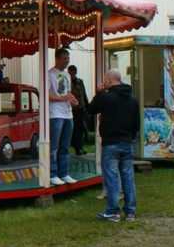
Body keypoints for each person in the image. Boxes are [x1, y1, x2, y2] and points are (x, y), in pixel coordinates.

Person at [88, 69, 140, 222]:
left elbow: (90, 109)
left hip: (111, 143)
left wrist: (98, 93)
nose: (103, 82)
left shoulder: (106, 97)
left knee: (112, 178)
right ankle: (130, 212)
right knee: (128, 177)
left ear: (109, 81)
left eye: (105, 79)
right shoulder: (133, 99)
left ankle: (112, 211)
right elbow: (136, 123)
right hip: (127, 142)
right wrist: (130, 137)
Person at [48, 48, 80, 186]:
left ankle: (64, 173)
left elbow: (68, 92)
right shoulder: (50, 74)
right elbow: (46, 94)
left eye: (68, 58)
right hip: (55, 113)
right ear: (57, 59)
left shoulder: (67, 75)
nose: (67, 61)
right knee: (54, 146)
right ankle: (52, 174)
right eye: (64, 58)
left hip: (68, 113)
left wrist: (73, 99)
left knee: (65, 146)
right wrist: (62, 98)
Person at [68, 65, 89, 155]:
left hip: (80, 109)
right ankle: (76, 147)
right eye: (70, 72)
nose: (71, 74)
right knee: (73, 130)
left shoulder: (80, 82)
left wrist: (87, 107)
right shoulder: (66, 82)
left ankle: (79, 147)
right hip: (70, 110)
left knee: (80, 129)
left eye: (73, 72)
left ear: (75, 72)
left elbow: (84, 95)